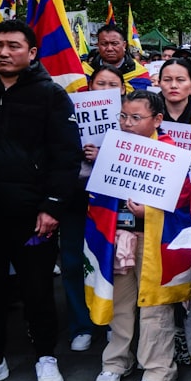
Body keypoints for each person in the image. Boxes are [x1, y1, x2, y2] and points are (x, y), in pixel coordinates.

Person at [0, 20, 82, 381]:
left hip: (32, 213)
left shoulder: (50, 95)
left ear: (31, 53)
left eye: (13, 45)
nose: (4, 52)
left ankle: (46, 356)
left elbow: (65, 155)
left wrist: (52, 207)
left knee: (37, 287)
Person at [91, 90, 191, 381]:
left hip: (151, 241)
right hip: (117, 236)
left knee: (154, 306)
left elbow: (184, 199)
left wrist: (149, 210)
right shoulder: (113, 148)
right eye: (123, 116)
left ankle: (158, 370)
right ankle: (115, 362)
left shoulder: (170, 152)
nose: (127, 123)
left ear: (157, 120)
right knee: (120, 303)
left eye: (136, 118)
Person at [60, 65, 126, 354]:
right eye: (101, 83)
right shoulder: (69, 115)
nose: (107, 88)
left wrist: (106, 155)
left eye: (113, 84)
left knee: (112, 262)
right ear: (90, 86)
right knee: (74, 262)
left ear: (122, 89)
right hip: (75, 199)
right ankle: (81, 324)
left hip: (112, 201)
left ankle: (114, 321)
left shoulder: (132, 119)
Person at [85, 23, 152, 91]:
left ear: (124, 45)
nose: (109, 48)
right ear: (98, 45)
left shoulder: (139, 75)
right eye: (104, 44)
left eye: (114, 43)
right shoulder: (84, 73)